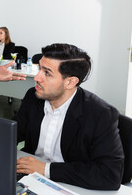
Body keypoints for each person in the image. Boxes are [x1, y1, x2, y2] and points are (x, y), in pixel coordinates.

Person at [13, 43, 124, 190]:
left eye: (47, 73)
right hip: (30, 179)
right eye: (39, 68)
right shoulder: (33, 97)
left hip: (71, 183)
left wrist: (46, 169)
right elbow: (12, 134)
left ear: (70, 82)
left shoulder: (101, 114)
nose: (37, 77)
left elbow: (110, 175)